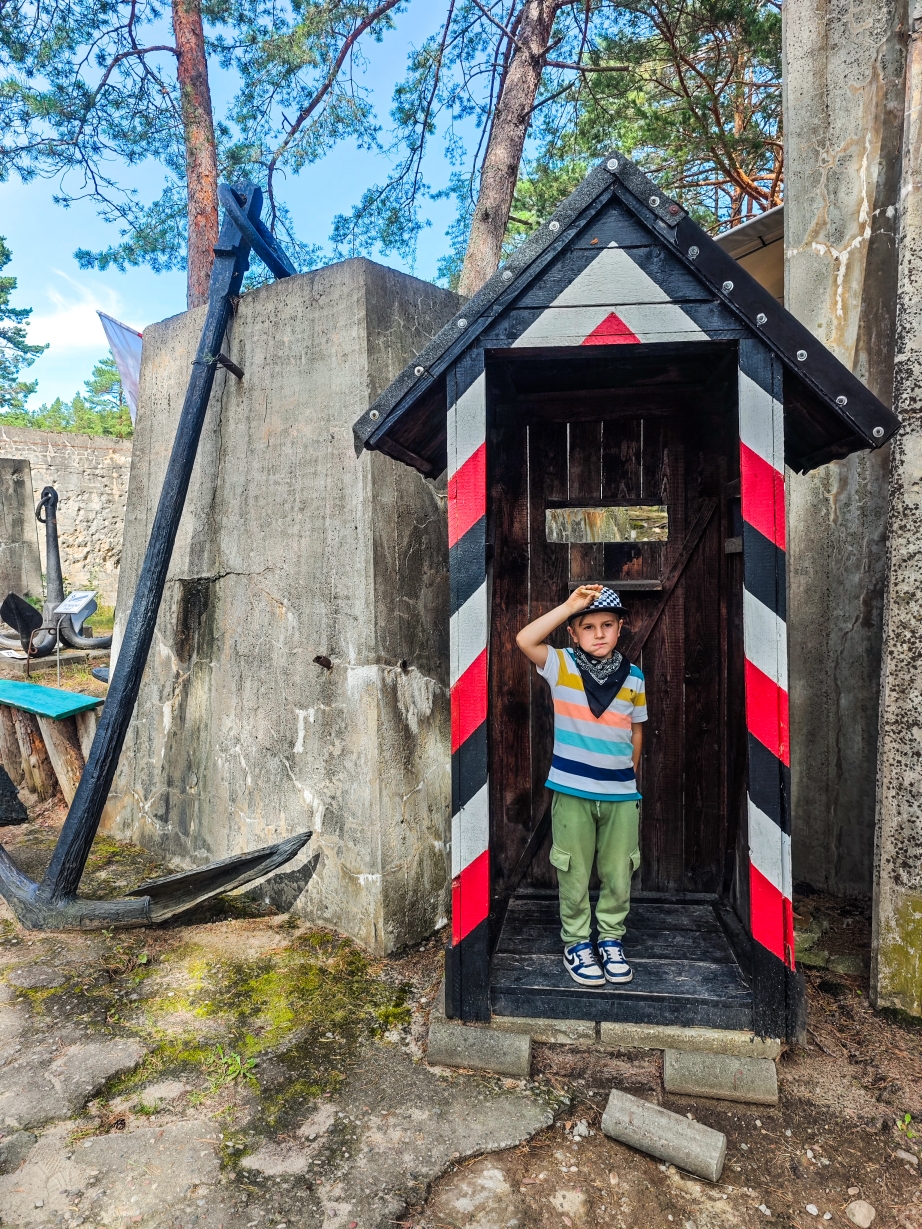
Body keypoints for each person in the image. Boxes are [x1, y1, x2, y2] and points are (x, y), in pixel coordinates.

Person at [515, 584, 647, 988]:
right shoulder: (562, 665)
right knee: (572, 871)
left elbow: (636, 731)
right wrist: (569, 606)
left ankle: (610, 939)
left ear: (620, 628)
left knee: (619, 872)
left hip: (621, 795)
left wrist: (628, 774)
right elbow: (525, 640)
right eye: (588, 626)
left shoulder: (634, 676)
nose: (599, 633)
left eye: (607, 624)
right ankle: (576, 943)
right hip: (572, 792)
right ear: (573, 633)